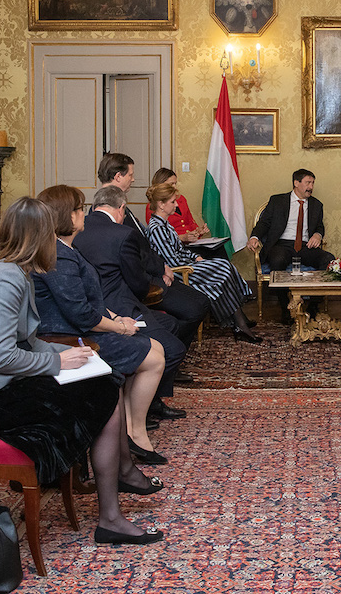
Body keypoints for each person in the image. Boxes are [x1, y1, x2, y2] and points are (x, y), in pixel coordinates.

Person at [0, 197, 164, 546]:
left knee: (104, 382)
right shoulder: (4, 280)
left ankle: (114, 499)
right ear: (40, 238)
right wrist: (58, 362)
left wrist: (70, 353)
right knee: (104, 397)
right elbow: (2, 357)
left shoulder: (16, 272)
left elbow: (28, 342)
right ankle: (111, 514)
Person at [32, 185, 168, 463]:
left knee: (155, 347)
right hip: (69, 339)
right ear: (67, 217)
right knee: (154, 359)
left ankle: (128, 429)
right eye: (79, 209)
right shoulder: (58, 256)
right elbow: (80, 313)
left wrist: (117, 317)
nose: (84, 214)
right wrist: (119, 328)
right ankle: (135, 432)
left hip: (83, 330)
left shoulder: (66, 249)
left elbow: (89, 299)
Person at [75, 185, 198, 444]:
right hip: (119, 308)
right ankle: (141, 407)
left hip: (94, 305)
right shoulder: (123, 234)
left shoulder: (76, 231)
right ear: (121, 209)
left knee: (171, 323)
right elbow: (139, 284)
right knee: (173, 349)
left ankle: (147, 398)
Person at [95, 155, 212, 338]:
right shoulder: (110, 210)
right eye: (131, 174)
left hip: (154, 272)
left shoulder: (119, 206)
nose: (133, 179)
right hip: (140, 283)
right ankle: (167, 347)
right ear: (118, 176)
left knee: (201, 302)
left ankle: (167, 346)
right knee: (196, 306)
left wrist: (162, 267)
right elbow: (133, 254)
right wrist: (160, 269)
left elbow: (143, 243)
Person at [146, 181, 262, 344]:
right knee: (223, 267)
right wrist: (194, 263)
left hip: (187, 265)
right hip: (179, 273)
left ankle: (239, 323)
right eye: (172, 202)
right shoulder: (157, 229)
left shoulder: (166, 225)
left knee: (222, 269)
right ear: (161, 204)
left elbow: (180, 250)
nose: (176, 204)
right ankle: (240, 318)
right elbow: (171, 261)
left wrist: (196, 258)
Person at [246, 169, 335, 323]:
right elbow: (264, 223)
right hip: (282, 244)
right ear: (296, 183)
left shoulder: (316, 204)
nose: (311, 187)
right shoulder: (278, 200)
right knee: (278, 259)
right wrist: (254, 237)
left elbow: (319, 226)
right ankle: (285, 307)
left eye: (313, 183)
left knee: (328, 259)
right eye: (308, 182)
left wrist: (317, 235)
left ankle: (313, 305)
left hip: (306, 246)